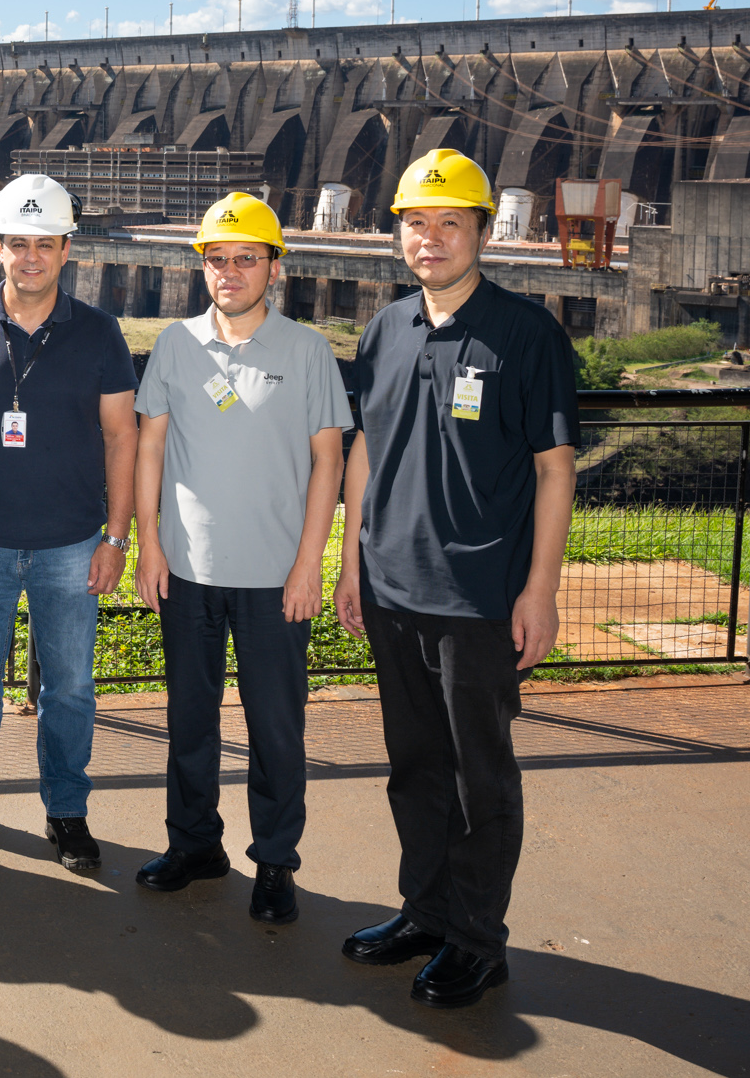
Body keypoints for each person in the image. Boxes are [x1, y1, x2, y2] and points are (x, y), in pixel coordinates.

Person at [336, 150, 577, 1009]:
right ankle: (426, 912)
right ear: (398, 233)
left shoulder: (526, 332)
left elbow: (555, 469)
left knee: (482, 778)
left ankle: (480, 940)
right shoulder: (385, 330)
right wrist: (349, 562)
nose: (430, 238)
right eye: (415, 222)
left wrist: (540, 590)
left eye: (448, 223)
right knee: (416, 767)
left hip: (479, 597)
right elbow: (366, 448)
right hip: (393, 590)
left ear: (483, 231)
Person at [131, 192, 351, 923]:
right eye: (218, 260)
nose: (230, 272)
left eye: (245, 259)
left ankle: (276, 861)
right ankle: (195, 844)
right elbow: (151, 447)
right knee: (189, 720)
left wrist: (307, 564)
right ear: (203, 267)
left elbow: (329, 460)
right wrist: (149, 545)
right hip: (188, 570)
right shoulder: (175, 344)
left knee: (275, 728)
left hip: (273, 579)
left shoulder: (308, 350)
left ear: (274, 267)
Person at [0, 174, 136, 867]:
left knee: (69, 687)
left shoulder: (100, 333)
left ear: (68, 249)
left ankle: (66, 810)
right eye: (17, 243)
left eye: (44, 243)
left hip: (72, 543)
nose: (30, 257)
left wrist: (116, 535)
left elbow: (121, 437)